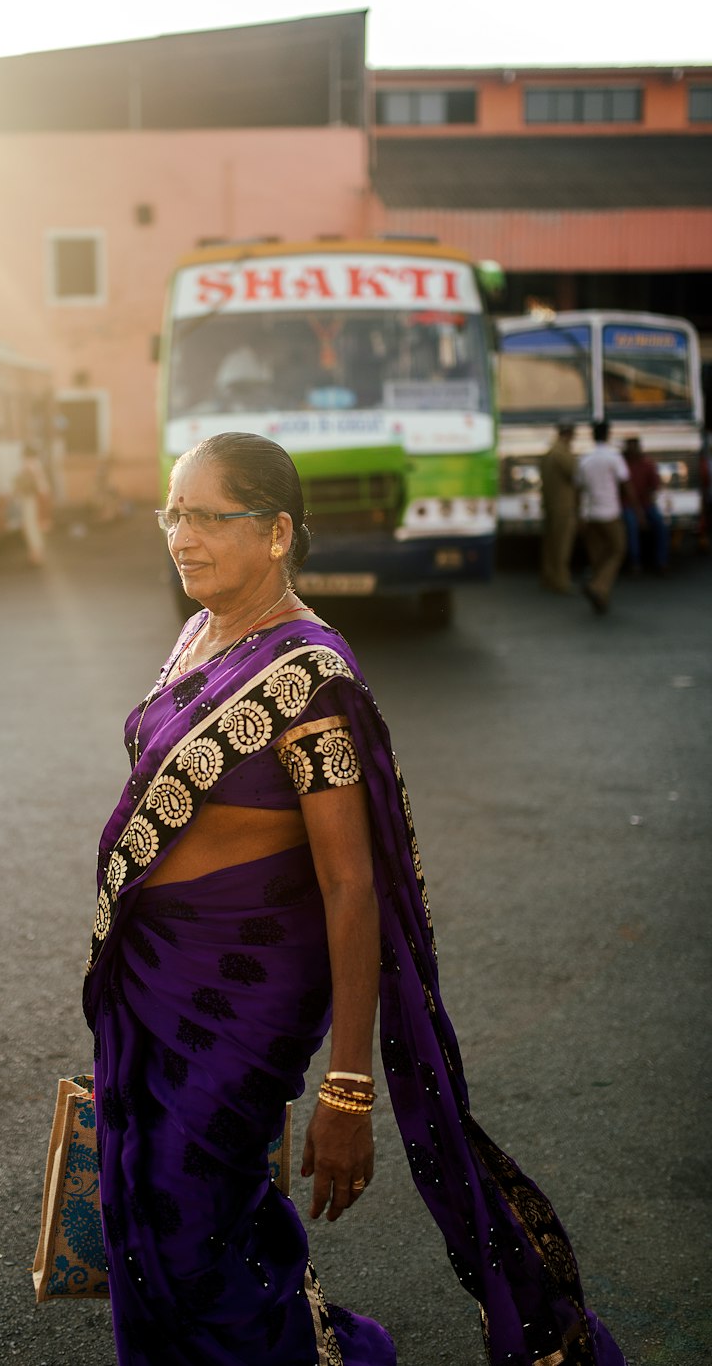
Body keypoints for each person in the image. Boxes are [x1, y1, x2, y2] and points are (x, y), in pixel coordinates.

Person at [82, 431, 625, 1366]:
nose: (183, 535)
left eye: (212, 516)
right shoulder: (199, 631)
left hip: (238, 1003)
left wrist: (347, 1087)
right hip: (156, 986)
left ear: (278, 532)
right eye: (175, 512)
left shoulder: (313, 683)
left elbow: (348, 882)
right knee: (153, 1210)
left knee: (187, 1220)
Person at [575, 421, 638, 615]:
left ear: (593, 436)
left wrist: (579, 514)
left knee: (598, 556)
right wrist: (638, 509)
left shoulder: (585, 459)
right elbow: (626, 484)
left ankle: (601, 598)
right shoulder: (613, 457)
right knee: (618, 549)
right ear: (608, 435)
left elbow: (578, 489)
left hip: (590, 514)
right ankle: (598, 587)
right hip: (609, 512)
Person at [539, 421, 578, 593]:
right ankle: (561, 581)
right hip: (563, 505)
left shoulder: (549, 452)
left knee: (551, 544)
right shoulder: (562, 453)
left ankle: (548, 576)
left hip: (549, 502)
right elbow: (576, 473)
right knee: (562, 545)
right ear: (568, 434)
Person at [622, 437, 669, 575]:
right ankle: (635, 562)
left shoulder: (647, 464)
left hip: (645, 504)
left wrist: (645, 499)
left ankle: (662, 561)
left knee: (661, 523)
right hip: (627, 504)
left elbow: (655, 486)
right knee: (631, 525)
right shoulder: (622, 464)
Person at [14, 443, 51, 567]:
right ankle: (35, 552)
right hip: (34, 497)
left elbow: (36, 485)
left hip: (32, 498)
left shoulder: (31, 466)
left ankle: (36, 553)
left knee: (32, 525)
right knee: (32, 525)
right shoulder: (36, 465)